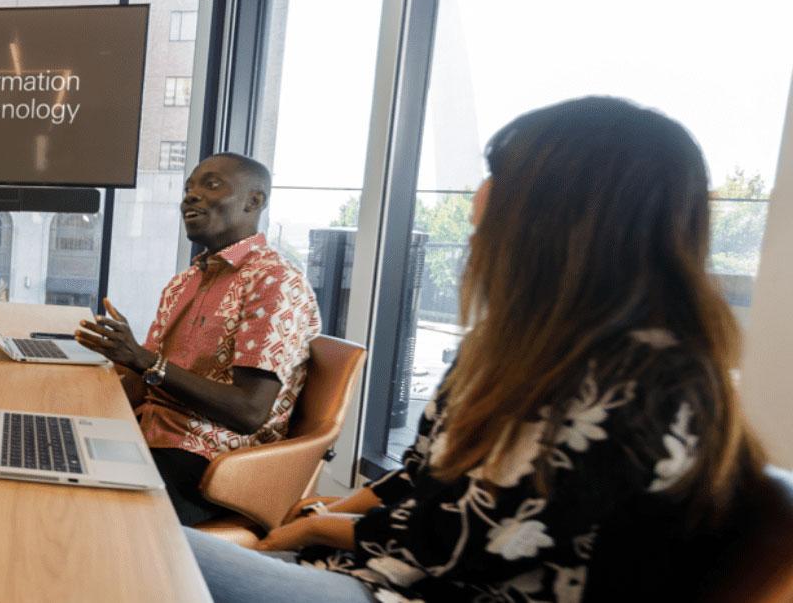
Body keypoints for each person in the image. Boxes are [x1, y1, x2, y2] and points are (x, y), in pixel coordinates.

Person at [184, 97, 764, 603]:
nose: (477, 201)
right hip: (373, 573)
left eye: (499, 177)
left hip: (409, 591)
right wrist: (324, 517)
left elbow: (460, 541)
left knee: (125, 542)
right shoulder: (512, 348)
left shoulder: (644, 380)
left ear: (560, 213)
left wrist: (314, 528)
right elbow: (418, 478)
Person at [73, 153, 320, 526]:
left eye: (211, 184)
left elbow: (248, 413)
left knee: (76, 512)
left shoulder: (274, 282)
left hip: (213, 464)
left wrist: (145, 362)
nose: (191, 196)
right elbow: (147, 384)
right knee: (44, 465)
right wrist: (113, 368)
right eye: (188, 187)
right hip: (150, 433)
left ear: (254, 201)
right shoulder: (184, 283)